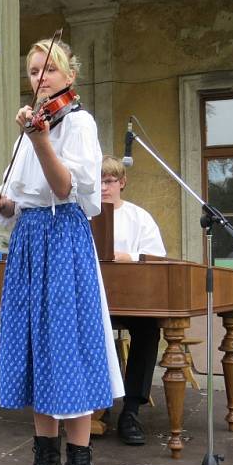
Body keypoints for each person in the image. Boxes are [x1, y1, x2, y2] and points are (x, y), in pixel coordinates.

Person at [0, 39, 124, 465]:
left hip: (63, 239)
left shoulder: (79, 123)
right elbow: (21, 196)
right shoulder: (27, 129)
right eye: (32, 71)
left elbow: (66, 188)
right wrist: (4, 204)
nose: (39, 77)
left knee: (68, 344)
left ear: (69, 77)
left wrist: (41, 136)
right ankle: (46, 460)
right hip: (29, 240)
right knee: (36, 346)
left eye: (48, 69)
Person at [99, 155, 166, 446]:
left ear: (122, 183)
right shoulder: (81, 214)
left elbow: (157, 257)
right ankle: (91, 406)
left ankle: (131, 410)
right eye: (99, 181)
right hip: (93, 300)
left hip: (131, 300)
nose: (104, 188)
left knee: (149, 329)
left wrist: (130, 257)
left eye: (110, 181)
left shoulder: (139, 217)